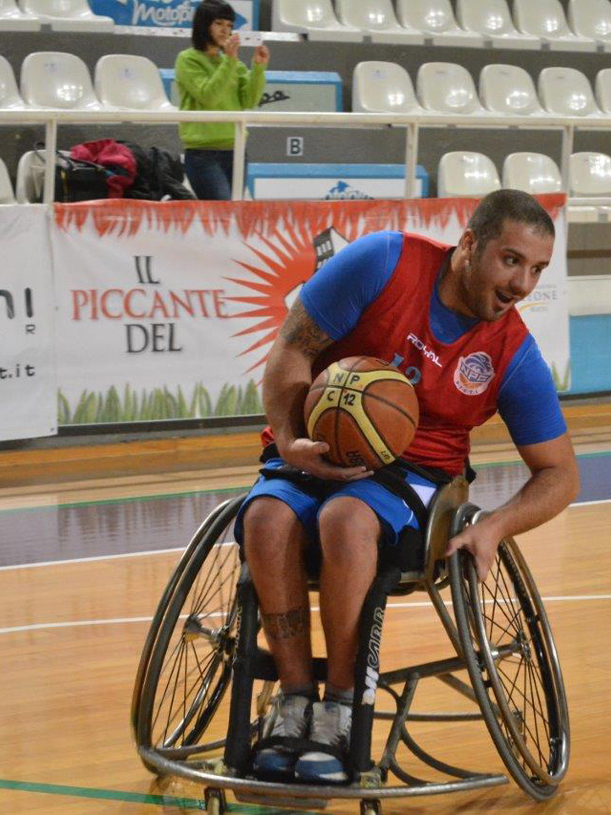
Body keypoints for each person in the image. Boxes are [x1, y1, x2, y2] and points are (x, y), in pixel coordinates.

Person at [233, 190, 579, 783]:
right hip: (317, 446)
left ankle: (341, 709)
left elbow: (561, 474)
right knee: (265, 518)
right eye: (511, 260)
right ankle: (294, 700)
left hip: (417, 475)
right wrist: (289, 440)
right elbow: (292, 347)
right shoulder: (382, 263)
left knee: (346, 520)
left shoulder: (512, 353)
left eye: (537, 270)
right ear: (468, 244)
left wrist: (494, 526)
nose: (522, 284)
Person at [175, 0, 269, 200]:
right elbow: (208, 96)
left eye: (229, 25)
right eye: (218, 23)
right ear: (203, 25)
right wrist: (229, 60)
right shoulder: (187, 59)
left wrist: (258, 68)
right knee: (223, 211)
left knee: (232, 213)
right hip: (203, 153)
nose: (225, 30)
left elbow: (249, 101)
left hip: (236, 149)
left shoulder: (234, 63)